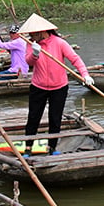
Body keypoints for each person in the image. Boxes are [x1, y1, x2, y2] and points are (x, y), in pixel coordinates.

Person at [19, 13, 94, 156]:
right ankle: (28, 148)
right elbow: (28, 62)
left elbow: (75, 59)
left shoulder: (59, 43)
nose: (30, 36)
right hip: (38, 86)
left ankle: (51, 148)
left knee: (55, 118)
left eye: (32, 33)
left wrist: (85, 75)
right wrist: (35, 54)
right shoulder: (31, 44)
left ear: (41, 32)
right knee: (33, 117)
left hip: (59, 87)